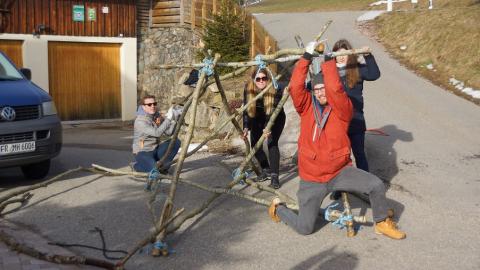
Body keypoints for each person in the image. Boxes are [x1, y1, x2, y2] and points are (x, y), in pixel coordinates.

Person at [268, 41, 406, 240]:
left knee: (375, 185)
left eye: (324, 88)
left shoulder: (342, 109)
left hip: (339, 172)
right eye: (317, 89)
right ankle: (278, 209)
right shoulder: (306, 108)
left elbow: (336, 89)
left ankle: (382, 222)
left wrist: (328, 61)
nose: (322, 92)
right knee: (304, 228)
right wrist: (306, 58)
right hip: (312, 178)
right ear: (313, 91)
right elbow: (296, 86)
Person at [333, 39, 380, 172]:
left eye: (345, 54)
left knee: (359, 154)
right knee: (340, 157)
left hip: (356, 120)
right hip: (337, 122)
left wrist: (368, 56)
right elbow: (313, 85)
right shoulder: (329, 72)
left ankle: (365, 186)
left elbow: (374, 74)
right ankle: (340, 188)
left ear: (350, 55)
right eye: (338, 54)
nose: (341, 57)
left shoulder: (356, 69)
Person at [243, 67, 286, 189]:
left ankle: (274, 176)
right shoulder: (248, 88)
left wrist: (268, 127)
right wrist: (246, 127)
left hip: (275, 118)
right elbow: (246, 109)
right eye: (258, 79)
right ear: (254, 80)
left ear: (268, 79)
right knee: (255, 145)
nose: (261, 81)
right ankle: (266, 170)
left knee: (272, 143)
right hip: (257, 118)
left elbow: (273, 112)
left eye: (264, 78)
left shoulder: (275, 88)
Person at [132, 94, 182, 175]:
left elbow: (168, 133)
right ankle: (136, 166)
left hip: (155, 149)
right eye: (149, 104)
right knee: (154, 171)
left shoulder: (156, 116)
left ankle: (163, 167)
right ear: (143, 107)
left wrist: (174, 120)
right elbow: (157, 133)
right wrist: (169, 118)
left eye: (154, 104)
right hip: (143, 151)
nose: (153, 106)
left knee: (175, 142)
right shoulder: (140, 121)